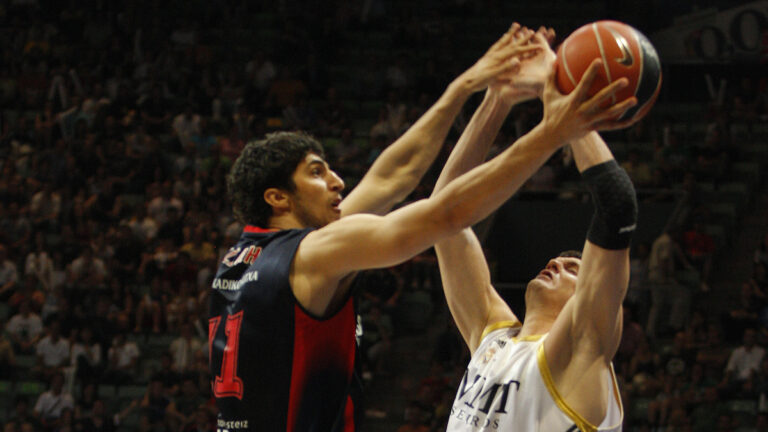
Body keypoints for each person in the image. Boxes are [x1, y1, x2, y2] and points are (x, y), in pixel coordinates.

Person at [210, 23, 637, 432]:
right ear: (277, 198)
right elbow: (445, 213)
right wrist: (555, 124)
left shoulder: (247, 257)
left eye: (573, 269)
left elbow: (396, 181)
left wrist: (493, 100)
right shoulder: (316, 252)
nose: (339, 183)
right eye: (318, 173)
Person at [427, 30, 641, 430]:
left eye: (573, 270)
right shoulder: (493, 338)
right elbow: (445, 214)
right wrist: (498, 99)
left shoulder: (581, 350)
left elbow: (616, 205)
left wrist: (559, 94)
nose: (556, 265)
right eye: (557, 261)